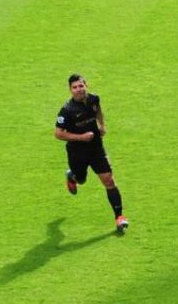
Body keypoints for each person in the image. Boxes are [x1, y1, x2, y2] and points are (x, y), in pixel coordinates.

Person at [54, 74, 129, 233]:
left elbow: (98, 111)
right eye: (75, 87)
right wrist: (80, 137)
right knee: (81, 179)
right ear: (70, 90)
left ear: (86, 85)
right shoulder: (66, 110)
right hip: (77, 152)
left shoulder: (94, 99)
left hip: (96, 148)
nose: (78, 90)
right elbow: (58, 134)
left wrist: (102, 125)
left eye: (81, 86)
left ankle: (119, 217)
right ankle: (72, 176)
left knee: (109, 180)